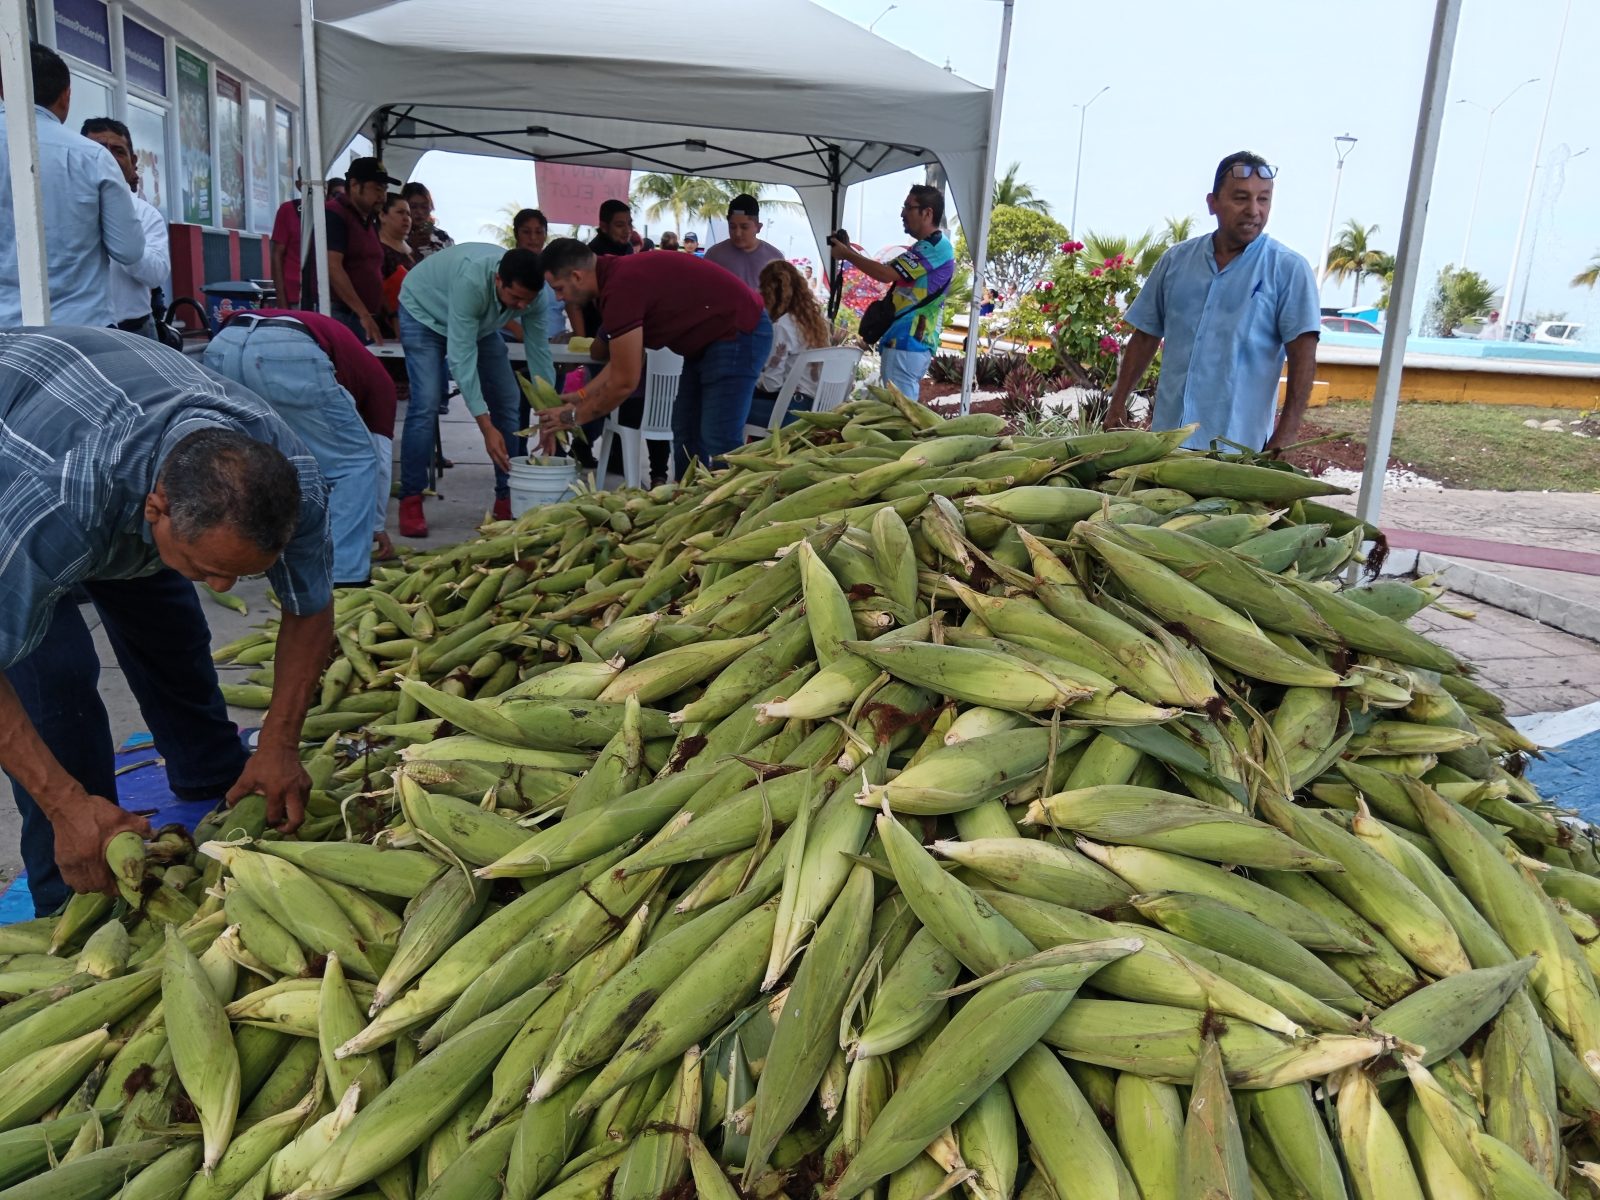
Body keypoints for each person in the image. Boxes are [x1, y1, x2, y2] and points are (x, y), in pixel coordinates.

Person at [0, 325, 334, 914]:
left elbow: (309, 607)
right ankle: (72, 882)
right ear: (154, 509)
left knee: (173, 627)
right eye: (211, 568)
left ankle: (215, 780)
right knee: (55, 684)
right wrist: (67, 804)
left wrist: (280, 742)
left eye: (242, 574)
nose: (226, 587)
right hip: (22, 438)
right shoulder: (64, 501)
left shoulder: (292, 479)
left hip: (109, 418)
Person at [1106, 151, 1320, 452]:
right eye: (1241, 198)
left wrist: (1285, 436)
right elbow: (1145, 336)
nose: (1253, 210)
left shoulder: (1287, 269)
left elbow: (1303, 357)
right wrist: (1118, 403)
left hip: (1236, 451)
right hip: (1167, 442)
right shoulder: (1175, 261)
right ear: (1212, 203)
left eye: (1264, 199)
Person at [537, 237, 772, 474]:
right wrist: (582, 394)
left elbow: (624, 382)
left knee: (718, 436)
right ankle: (687, 501)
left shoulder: (620, 286)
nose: (558, 298)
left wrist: (571, 417)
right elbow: (625, 361)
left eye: (559, 289)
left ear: (577, 276)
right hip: (708, 340)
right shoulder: (612, 278)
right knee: (685, 431)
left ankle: (736, 507)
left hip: (739, 331)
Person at [205, 309, 396, 586]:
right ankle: (346, 577)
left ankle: (229, 555)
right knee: (354, 463)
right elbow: (377, 459)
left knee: (249, 458)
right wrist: (375, 526)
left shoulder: (349, 355)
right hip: (286, 350)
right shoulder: (383, 388)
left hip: (225, 342)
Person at [395, 245, 553, 535]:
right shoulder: (472, 281)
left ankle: (506, 496)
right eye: (515, 298)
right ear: (498, 280)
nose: (520, 307)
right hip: (423, 310)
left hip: (477, 323)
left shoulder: (535, 296)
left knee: (508, 398)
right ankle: (411, 497)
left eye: (526, 301)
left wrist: (548, 414)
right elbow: (461, 358)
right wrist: (484, 425)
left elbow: (539, 351)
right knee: (426, 402)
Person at [0, 44, 144, 327]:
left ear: (4, 89)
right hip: (79, 331)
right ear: (66, 96)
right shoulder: (91, 156)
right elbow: (129, 250)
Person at [828, 184, 954, 404]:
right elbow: (885, 270)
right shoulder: (924, 247)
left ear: (927, 213)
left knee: (900, 415)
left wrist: (847, 254)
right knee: (894, 412)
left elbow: (886, 274)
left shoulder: (935, 247)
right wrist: (850, 251)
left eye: (908, 207)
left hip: (909, 341)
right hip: (905, 341)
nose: (902, 213)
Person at [81, 118, 169, 340]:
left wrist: (125, 239)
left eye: (118, 151)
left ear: (133, 161)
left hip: (135, 331)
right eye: (98, 150)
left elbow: (157, 275)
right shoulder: (62, 209)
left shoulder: (147, 215)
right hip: (78, 332)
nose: (107, 158)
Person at [303, 156, 398, 345]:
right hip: (342, 313)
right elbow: (333, 267)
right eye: (377, 189)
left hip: (363, 314)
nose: (383, 196)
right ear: (355, 185)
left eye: (385, 190)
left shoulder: (368, 220)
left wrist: (391, 314)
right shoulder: (334, 214)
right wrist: (363, 314)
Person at [748, 259, 830, 429]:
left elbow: (771, 384)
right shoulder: (815, 323)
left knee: (726, 408)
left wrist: (751, 376)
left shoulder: (782, 326)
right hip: (816, 411)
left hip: (790, 414)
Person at [704, 193, 786, 290]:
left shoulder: (775, 258)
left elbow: (782, 297)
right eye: (732, 227)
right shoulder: (714, 255)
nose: (738, 233)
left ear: (758, 228)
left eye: (744, 227)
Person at [512, 207, 567, 338]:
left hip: (555, 342)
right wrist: (518, 332)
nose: (533, 238)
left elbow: (572, 305)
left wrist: (580, 338)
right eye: (526, 232)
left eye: (538, 232)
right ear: (516, 234)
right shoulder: (504, 265)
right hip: (513, 342)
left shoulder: (557, 267)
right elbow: (493, 304)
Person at [376, 193, 416, 338]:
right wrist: (394, 317)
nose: (406, 218)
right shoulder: (377, 249)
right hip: (388, 324)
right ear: (382, 216)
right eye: (400, 212)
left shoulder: (412, 250)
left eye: (408, 214)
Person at [270, 171, 304, 307]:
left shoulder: (328, 211)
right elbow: (276, 255)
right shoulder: (288, 210)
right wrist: (281, 298)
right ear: (298, 185)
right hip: (294, 294)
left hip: (325, 295)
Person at [402, 182, 453, 260]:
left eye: (424, 207)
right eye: (413, 207)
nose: (419, 212)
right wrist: (411, 245)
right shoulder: (396, 235)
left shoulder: (443, 237)